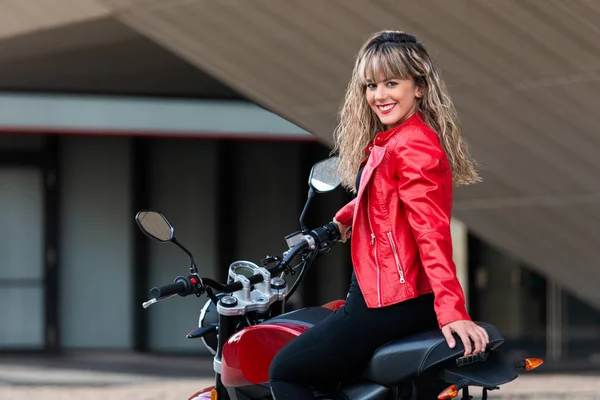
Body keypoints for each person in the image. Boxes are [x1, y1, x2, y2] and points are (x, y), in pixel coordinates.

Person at [269, 30, 488, 399]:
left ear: (419, 87)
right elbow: (386, 198)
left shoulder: (411, 145)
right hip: (402, 299)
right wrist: (340, 222)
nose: (379, 95)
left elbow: (430, 232)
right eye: (371, 85)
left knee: (285, 371)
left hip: (386, 304)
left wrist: (453, 310)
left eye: (391, 82)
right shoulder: (398, 139)